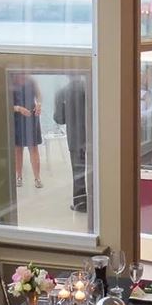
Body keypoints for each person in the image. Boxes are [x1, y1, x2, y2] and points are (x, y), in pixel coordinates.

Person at [54, 74, 89, 212]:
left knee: (78, 171)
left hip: (75, 138)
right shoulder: (90, 88)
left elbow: (59, 118)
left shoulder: (61, 92)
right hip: (93, 136)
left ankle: (81, 204)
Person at [11, 72, 43, 188]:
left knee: (33, 148)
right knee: (18, 149)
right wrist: (18, 109)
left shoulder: (31, 80)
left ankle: (37, 178)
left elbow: (39, 95)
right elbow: (4, 104)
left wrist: (38, 104)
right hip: (16, 118)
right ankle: (19, 177)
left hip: (31, 117)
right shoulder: (9, 81)